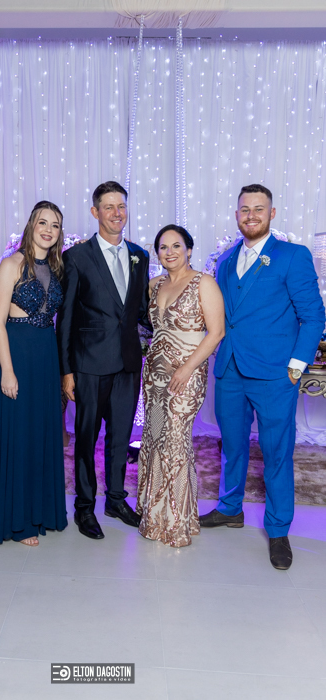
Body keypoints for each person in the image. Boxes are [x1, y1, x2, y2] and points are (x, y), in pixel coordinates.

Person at [199, 184, 325, 570]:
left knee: (276, 452)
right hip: (230, 370)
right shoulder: (225, 260)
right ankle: (230, 509)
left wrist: (297, 366)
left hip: (275, 374)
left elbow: (313, 316)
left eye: (258, 208)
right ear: (236, 214)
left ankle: (278, 529)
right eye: (244, 209)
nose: (250, 215)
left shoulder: (293, 256)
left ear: (271, 214)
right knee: (232, 445)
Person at [56, 181, 149, 540]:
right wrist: (67, 371)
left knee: (121, 437)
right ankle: (84, 507)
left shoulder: (139, 255)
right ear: (95, 212)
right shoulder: (76, 257)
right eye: (108, 206)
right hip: (89, 364)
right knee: (86, 438)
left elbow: (142, 311)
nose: (116, 213)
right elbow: (65, 318)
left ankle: (115, 499)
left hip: (128, 363)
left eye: (121, 206)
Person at [0, 201, 67, 546]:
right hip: (17, 352)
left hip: (46, 354)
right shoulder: (11, 264)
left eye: (55, 225)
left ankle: (40, 511)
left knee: (41, 432)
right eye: (43, 222)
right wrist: (7, 370)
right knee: (18, 434)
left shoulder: (57, 267)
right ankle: (17, 521)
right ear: (31, 225)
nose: (48, 230)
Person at [136, 225, 225, 547]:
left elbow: (216, 332)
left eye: (176, 246)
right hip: (154, 376)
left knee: (175, 442)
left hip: (186, 374)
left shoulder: (204, 283)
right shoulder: (155, 284)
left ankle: (176, 521)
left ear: (188, 249)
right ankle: (154, 515)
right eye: (163, 247)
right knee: (154, 438)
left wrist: (187, 368)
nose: (169, 252)